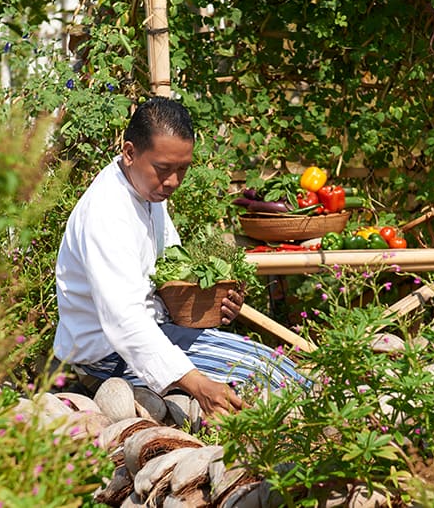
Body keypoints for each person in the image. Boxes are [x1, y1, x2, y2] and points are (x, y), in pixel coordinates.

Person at [51, 96, 307, 417]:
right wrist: (199, 385)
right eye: (163, 169)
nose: (173, 182)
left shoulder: (146, 190)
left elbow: (172, 270)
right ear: (129, 153)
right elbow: (126, 323)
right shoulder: (106, 213)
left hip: (154, 334)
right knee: (258, 378)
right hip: (108, 356)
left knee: (273, 364)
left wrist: (220, 301)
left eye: (182, 169)